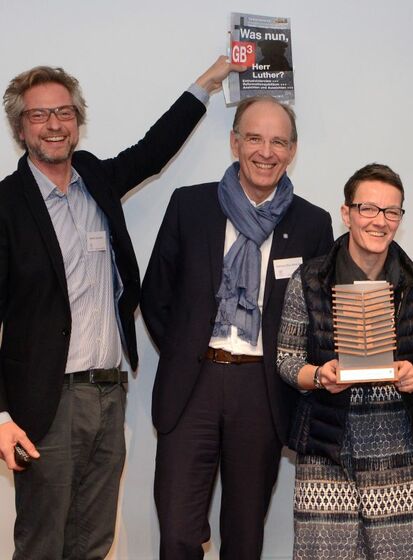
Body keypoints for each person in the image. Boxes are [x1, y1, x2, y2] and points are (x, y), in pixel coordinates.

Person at [0, 56, 240, 560]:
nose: (54, 125)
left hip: (110, 393)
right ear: (21, 126)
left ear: (78, 121)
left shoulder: (94, 179)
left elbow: (153, 151)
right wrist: (1, 415)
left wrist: (208, 82)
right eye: (40, 115)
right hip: (46, 402)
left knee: (93, 542)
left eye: (64, 112)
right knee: (43, 544)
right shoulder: (6, 206)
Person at [140, 95, 333, 559]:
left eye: (278, 141)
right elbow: (155, 295)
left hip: (262, 391)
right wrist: (188, 349)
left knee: (245, 536)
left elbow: (319, 314)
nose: (265, 151)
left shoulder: (311, 223)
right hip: (193, 384)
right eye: (254, 138)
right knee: (179, 534)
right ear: (234, 143)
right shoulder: (191, 206)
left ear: (292, 150)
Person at [277, 163, 413, 559]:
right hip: (328, 446)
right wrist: (318, 375)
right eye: (368, 209)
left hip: (401, 445)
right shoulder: (310, 278)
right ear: (346, 213)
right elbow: (286, 359)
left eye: (391, 211)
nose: (380, 221)